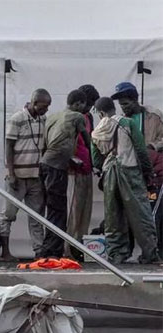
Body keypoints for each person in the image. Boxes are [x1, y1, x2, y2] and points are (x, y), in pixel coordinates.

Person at [91, 97, 160, 264]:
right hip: (130, 171)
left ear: (101, 113)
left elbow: (96, 160)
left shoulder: (96, 131)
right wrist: (148, 173)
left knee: (113, 215)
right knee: (141, 213)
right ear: (113, 108)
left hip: (110, 174)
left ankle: (117, 254)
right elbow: (141, 150)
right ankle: (149, 253)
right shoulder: (128, 123)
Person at [0, 88, 51, 261]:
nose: (46, 110)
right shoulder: (17, 119)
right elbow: (9, 146)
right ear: (34, 103)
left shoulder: (43, 119)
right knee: (8, 214)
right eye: (44, 106)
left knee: (36, 215)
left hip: (35, 176)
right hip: (18, 176)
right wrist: (11, 173)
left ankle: (39, 252)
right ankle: (5, 252)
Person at [37, 89, 90, 259]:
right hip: (56, 168)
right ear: (78, 104)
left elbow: (48, 144)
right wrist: (96, 162)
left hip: (45, 165)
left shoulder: (52, 117)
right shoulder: (77, 117)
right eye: (85, 105)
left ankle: (49, 248)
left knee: (51, 208)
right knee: (58, 209)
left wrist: (70, 158)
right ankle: (51, 251)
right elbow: (88, 142)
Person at [66, 84, 100, 261]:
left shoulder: (89, 117)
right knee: (74, 210)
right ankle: (68, 247)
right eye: (89, 103)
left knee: (85, 210)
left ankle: (80, 244)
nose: (89, 107)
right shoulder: (72, 118)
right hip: (74, 170)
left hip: (87, 168)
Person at [112, 81, 163, 153]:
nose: (123, 107)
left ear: (135, 100)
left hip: (152, 160)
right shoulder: (121, 120)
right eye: (121, 104)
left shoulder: (154, 115)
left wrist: (153, 146)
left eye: (126, 104)